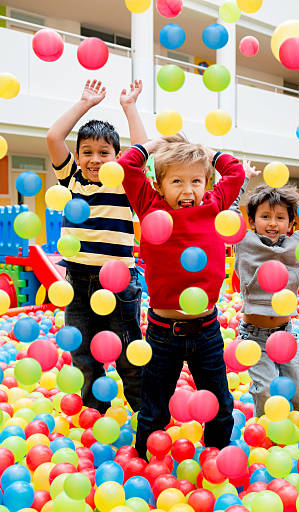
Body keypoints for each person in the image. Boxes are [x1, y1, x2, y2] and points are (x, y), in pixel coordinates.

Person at [118, 81, 245, 460]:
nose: (187, 189)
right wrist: (151, 148)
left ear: (206, 184)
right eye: (177, 181)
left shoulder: (213, 204)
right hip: (162, 332)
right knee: (153, 406)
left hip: (206, 330)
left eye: (195, 180)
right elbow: (127, 167)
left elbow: (235, 172)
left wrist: (208, 151)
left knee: (220, 405)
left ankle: (218, 459)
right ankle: (145, 459)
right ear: (160, 184)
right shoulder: (150, 206)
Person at [46, 79, 146, 414]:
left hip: (118, 283)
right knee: (83, 353)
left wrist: (129, 107)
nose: (95, 160)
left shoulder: (123, 184)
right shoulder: (72, 180)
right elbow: (53, 137)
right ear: (77, 156)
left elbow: (144, 148)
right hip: (77, 280)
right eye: (87, 152)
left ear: (118, 157)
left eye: (104, 153)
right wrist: (84, 104)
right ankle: (94, 414)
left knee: (129, 352)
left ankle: (144, 412)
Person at [231, 160, 299, 417]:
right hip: (254, 336)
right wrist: (243, 179)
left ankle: (291, 424)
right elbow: (228, 213)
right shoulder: (245, 240)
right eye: (265, 217)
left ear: (291, 223)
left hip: (285, 332)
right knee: (265, 392)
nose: (273, 223)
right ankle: (264, 436)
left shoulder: (296, 242)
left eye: (280, 217)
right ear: (252, 221)